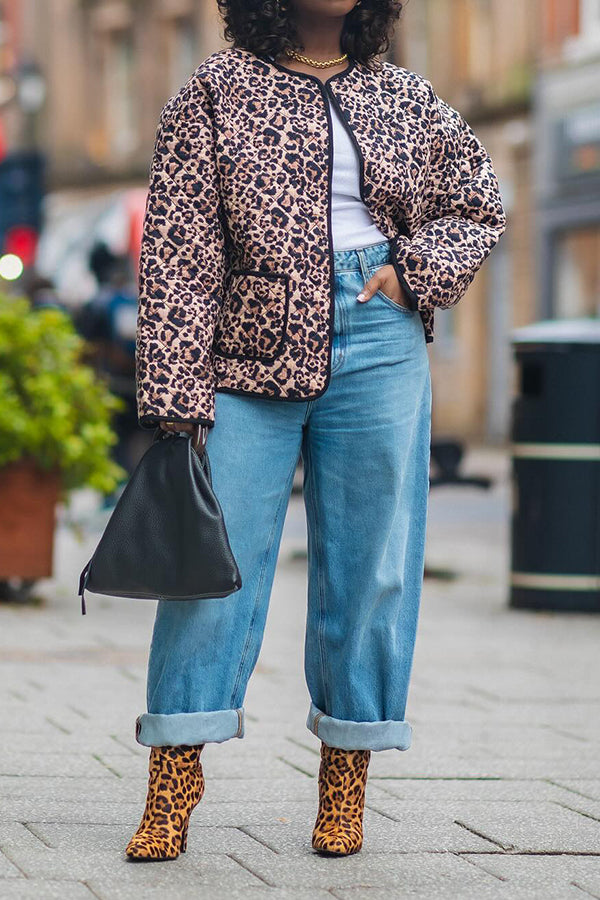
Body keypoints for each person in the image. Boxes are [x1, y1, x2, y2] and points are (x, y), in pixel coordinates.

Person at [127, 0, 506, 860]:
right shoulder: (214, 92)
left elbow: (478, 204)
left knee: (371, 570)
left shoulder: (405, 93)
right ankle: (173, 783)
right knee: (210, 569)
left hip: (379, 338)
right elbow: (181, 253)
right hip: (245, 352)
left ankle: (346, 781)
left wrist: (415, 275)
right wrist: (176, 392)